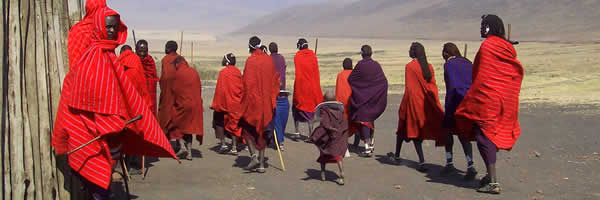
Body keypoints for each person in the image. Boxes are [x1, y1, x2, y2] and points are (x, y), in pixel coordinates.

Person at [52, 1, 176, 198]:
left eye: (114, 27)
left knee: (100, 176)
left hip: (110, 127)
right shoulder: (93, 55)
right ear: (99, 25)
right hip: (90, 124)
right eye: (108, 26)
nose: (111, 31)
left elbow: (118, 89)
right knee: (91, 177)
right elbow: (87, 90)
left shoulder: (108, 54)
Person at [455, 14, 524, 194]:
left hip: (488, 98)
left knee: (483, 135)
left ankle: (493, 182)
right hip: (503, 98)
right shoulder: (505, 46)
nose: (480, 29)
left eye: (482, 25)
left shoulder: (489, 45)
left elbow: (483, 73)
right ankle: (489, 175)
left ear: (488, 28)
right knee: (487, 134)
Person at [390, 42, 444, 172]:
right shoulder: (429, 67)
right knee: (407, 130)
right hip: (424, 104)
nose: (408, 51)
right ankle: (398, 155)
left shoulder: (410, 67)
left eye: (410, 49)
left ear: (413, 52)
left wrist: (404, 106)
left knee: (409, 131)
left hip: (413, 103)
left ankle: (420, 161)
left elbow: (409, 89)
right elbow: (432, 87)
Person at [239, 36, 280, 173]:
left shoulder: (250, 61)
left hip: (253, 103)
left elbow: (246, 83)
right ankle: (262, 165)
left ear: (250, 47)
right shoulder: (268, 60)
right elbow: (275, 80)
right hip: (266, 103)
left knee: (247, 130)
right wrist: (272, 97)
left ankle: (253, 156)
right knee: (263, 132)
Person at [440, 42, 478, 179]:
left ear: (446, 53)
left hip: (456, 101)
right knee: (464, 134)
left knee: (447, 131)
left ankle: (449, 163)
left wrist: (449, 106)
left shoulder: (449, 64)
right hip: (471, 101)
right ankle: (470, 164)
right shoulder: (467, 62)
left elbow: (452, 86)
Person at [348, 45, 388, 157]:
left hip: (362, 99)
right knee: (371, 120)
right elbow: (384, 82)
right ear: (371, 53)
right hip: (374, 100)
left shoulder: (360, 65)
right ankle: (371, 144)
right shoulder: (376, 65)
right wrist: (377, 93)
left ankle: (367, 147)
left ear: (362, 54)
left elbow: (351, 79)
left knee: (365, 121)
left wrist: (360, 89)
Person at [118, 45, 151, 175]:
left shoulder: (118, 62)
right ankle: (128, 162)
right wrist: (145, 103)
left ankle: (123, 164)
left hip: (121, 106)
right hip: (136, 105)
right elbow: (142, 84)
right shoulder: (136, 63)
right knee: (134, 133)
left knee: (122, 134)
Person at [168, 50, 204, 160]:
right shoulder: (194, 71)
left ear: (177, 64)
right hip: (196, 105)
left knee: (175, 124)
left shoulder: (177, 74)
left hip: (184, 105)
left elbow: (174, 90)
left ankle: (182, 146)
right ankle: (189, 153)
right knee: (189, 129)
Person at [310, 91, 348, 185]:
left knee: (323, 154)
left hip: (327, 138)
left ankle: (323, 173)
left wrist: (314, 135)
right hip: (337, 138)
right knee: (338, 156)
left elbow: (324, 124)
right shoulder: (340, 112)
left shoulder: (324, 111)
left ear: (324, 100)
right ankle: (341, 174)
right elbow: (344, 124)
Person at [211, 53, 243, 154]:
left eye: (223, 58)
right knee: (235, 124)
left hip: (225, 103)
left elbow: (220, 90)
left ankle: (224, 144)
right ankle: (234, 147)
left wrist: (217, 104)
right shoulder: (238, 72)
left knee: (218, 120)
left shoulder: (223, 73)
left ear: (227, 61)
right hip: (236, 104)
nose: (222, 60)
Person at [292, 38, 323, 141]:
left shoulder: (297, 56)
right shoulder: (313, 56)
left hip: (301, 87)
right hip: (313, 87)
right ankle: (310, 134)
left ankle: (297, 132)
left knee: (296, 108)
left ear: (299, 46)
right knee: (311, 111)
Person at [335, 58, 360, 149]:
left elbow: (338, 91)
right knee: (355, 122)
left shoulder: (340, 75)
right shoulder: (355, 74)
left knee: (343, 123)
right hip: (354, 102)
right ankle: (356, 142)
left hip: (342, 103)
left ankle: (343, 142)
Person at [270, 42, 290, 151]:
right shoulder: (282, 58)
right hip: (282, 91)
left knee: (276, 117)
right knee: (280, 118)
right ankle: (278, 140)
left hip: (274, 91)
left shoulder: (269, 59)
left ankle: (279, 140)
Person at [136, 39, 159, 117]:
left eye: (144, 51)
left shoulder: (150, 61)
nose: (142, 54)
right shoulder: (133, 61)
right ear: (136, 50)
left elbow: (153, 78)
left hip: (150, 94)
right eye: (140, 51)